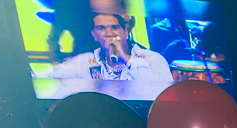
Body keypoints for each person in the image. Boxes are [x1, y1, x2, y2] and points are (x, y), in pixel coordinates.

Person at [44, 12, 172, 81]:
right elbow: (51, 79)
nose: (109, 33)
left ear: (126, 31)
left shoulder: (152, 59)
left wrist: (126, 58)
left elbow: (162, 91)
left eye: (115, 27)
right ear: (94, 34)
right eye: (101, 28)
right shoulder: (84, 61)